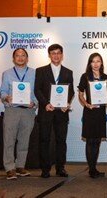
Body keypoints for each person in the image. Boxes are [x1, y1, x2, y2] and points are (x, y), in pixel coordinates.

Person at [34, 44, 75, 178]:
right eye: (53, 53)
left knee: (61, 141)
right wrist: (45, 103)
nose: (56, 55)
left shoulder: (68, 72)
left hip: (61, 112)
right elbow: (37, 90)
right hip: (46, 111)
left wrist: (67, 103)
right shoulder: (40, 70)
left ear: (62, 55)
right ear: (49, 55)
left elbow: (71, 91)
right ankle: (45, 169)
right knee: (44, 140)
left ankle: (60, 168)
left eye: (58, 53)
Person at [0, 48, 37, 180]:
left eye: (23, 56)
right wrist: (6, 98)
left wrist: (35, 103)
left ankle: (20, 166)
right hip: (12, 110)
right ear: (13, 58)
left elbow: (37, 93)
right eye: (17, 55)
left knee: (24, 140)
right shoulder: (7, 73)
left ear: (27, 58)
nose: (20, 58)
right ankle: (9, 168)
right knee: (9, 140)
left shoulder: (34, 73)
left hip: (28, 111)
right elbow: (3, 91)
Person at [77, 53, 107, 178]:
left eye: (98, 61)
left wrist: (106, 102)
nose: (96, 64)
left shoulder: (105, 77)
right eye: (93, 61)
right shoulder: (85, 77)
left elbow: (105, 94)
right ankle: (91, 169)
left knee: (97, 141)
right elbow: (80, 95)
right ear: (89, 63)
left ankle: (94, 168)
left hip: (100, 112)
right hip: (90, 112)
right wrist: (86, 104)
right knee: (90, 141)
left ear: (101, 63)